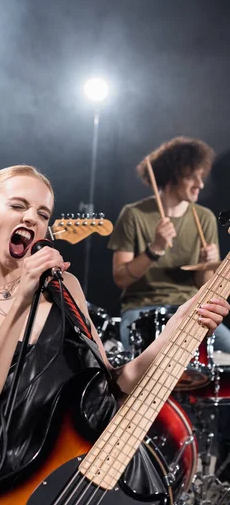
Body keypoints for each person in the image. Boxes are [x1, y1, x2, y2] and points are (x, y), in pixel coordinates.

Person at [0, 164, 229, 504]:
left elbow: (113, 384)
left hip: (92, 468)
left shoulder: (65, 287)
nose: (31, 219)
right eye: (17, 205)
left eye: (42, 213)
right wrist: (21, 304)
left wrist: (178, 325)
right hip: (14, 483)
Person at [108, 136, 230, 482]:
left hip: (190, 308)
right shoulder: (134, 215)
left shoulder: (203, 217)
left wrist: (210, 267)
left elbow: (202, 288)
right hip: (142, 309)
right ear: (176, 174)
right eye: (196, 175)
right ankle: (133, 460)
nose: (202, 183)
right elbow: (120, 278)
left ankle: (224, 460)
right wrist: (155, 249)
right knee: (142, 381)